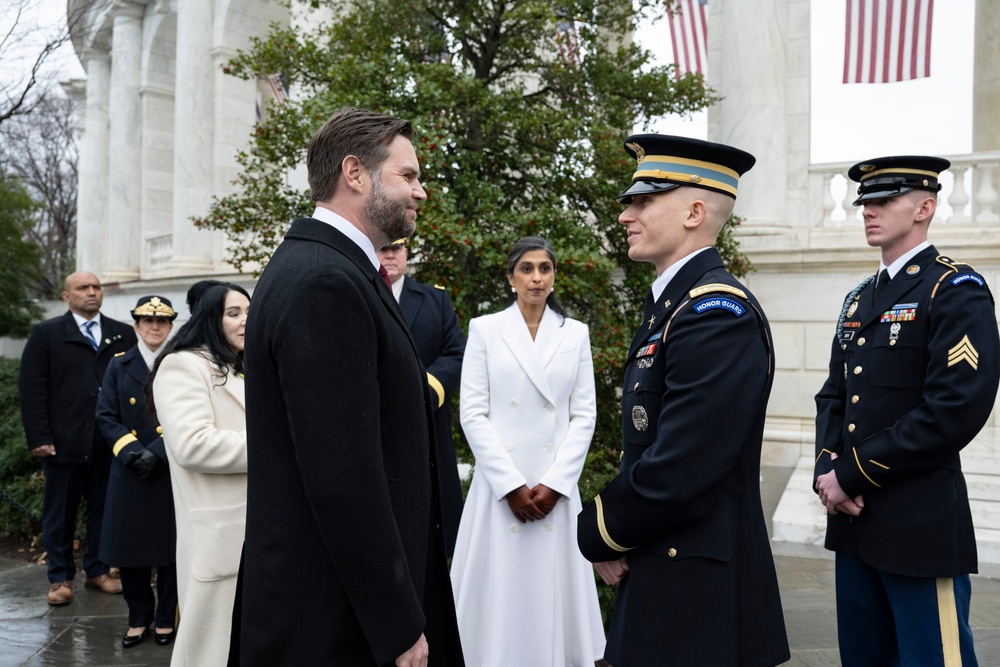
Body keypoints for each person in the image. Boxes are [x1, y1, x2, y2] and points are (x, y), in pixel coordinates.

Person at [235, 107, 463, 666]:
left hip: (339, 605)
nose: (421, 191)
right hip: (335, 620)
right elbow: (343, 478)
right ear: (355, 173)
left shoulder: (334, 269)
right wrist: (398, 623)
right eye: (408, 175)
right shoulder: (324, 282)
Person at [576, 135, 790, 666]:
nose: (626, 213)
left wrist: (597, 530)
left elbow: (681, 465)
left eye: (644, 200)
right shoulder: (674, 307)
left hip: (697, 590)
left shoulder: (715, 312)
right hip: (666, 567)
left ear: (695, 211)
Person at [814, 155, 1000, 666]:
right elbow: (833, 397)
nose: (868, 211)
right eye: (865, 202)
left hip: (918, 524)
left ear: (925, 206)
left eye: (884, 200)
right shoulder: (858, 300)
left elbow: (954, 408)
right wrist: (826, 470)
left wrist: (851, 474)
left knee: (930, 658)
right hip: (854, 523)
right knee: (863, 657)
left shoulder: (954, 289)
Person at [450, 236, 605, 666]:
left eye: (545, 269)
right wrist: (511, 485)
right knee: (499, 598)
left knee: (551, 599)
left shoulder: (575, 334)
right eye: (527, 269)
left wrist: (555, 485)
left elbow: (583, 416)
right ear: (511, 278)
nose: (536, 277)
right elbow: (474, 414)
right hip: (501, 491)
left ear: (554, 278)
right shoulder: (485, 329)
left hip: (554, 490)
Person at [147, 282, 250, 667]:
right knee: (209, 650)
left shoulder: (244, 365)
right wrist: (276, 449)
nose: (245, 321)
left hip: (261, 533)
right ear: (210, 317)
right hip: (220, 535)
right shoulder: (183, 364)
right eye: (233, 313)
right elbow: (192, 444)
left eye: (249, 311)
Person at [18, 271, 135, 605]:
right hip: (63, 443)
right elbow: (32, 390)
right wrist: (39, 436)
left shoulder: (122, 334)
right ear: (66, 297)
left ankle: (99, 572)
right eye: (82, 288)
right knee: (60, 515)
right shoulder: (46, 334)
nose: (92, 292)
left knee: (103, 511)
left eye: (96, 287)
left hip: (109, 443)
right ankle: (60, 579)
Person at [96, 295, 179, 648]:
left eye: (161, 321)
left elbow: (189, 416)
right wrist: (133, 453)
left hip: (171, 468)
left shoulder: (180, 364)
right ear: (136, 325)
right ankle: (138, 618)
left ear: (172, 326)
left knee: (172, 551)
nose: (155, 327)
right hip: (130, 471)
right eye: (147, 321)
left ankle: (165, 619)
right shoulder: (119, 364)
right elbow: (106, 416)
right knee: (131, 552)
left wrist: (159, 452)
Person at [376, 238, 466, 556]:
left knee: (431, 537)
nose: (389, 254)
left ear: (406, 252)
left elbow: (455, 353)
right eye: (383, 247)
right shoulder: (360, 291)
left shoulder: (433, 300)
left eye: (396, 248)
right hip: (373, 425)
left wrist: (421, 393)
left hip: (426, 424)